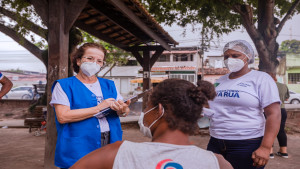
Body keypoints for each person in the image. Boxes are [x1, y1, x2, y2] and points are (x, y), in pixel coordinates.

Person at [70, 79, 233, 169]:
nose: (145, 113)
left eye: (147, 106)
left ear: (159, 110)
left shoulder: (117, 153)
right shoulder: (218, 163)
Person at [50, 43, 130, 169]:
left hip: (110, 140)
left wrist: (123, 110)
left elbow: (122, 111)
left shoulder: (110, 85)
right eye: (89, 58)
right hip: (79, 144)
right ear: (78, 61)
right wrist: (98, 107)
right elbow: (63, 116)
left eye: (99, 61)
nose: (94, 63)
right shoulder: (64, 85)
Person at [207, 40, 281, 169]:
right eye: (226, 56)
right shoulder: (221, 80)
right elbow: (213, 107)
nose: (230, 59)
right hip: (216, 141)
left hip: (247, 143)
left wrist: (265, 147)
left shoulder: (261, 78)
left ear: (248, 57)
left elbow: (274, 114)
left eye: (235, 56)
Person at [268, 73, 289, 159]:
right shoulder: (284, 86)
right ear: (275, 78)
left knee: (269, 130)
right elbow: (287, 98)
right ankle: (284, 152)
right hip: (282, 110)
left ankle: (270, 152)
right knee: (281, 130)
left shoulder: (267, 86)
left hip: (270, 110)